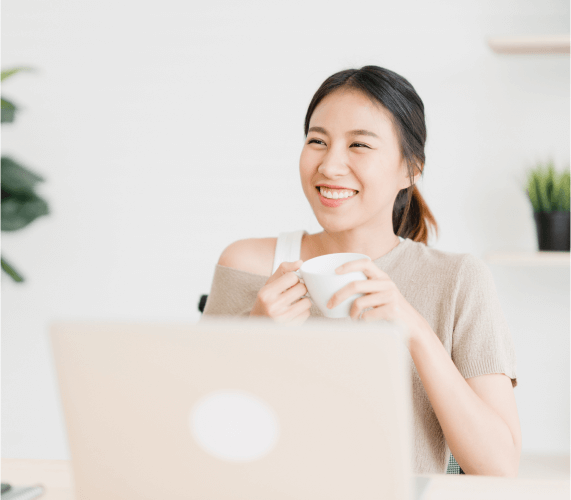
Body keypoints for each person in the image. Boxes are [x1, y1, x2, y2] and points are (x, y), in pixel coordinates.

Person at [201, 65, 520, 477]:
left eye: (359, 145)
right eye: (317, 141)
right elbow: (200, 435)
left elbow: (498, 467)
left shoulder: (459, 280)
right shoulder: (247, 264)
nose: (330, 166)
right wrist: (255, 338)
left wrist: (416, 331)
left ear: (411, 168)